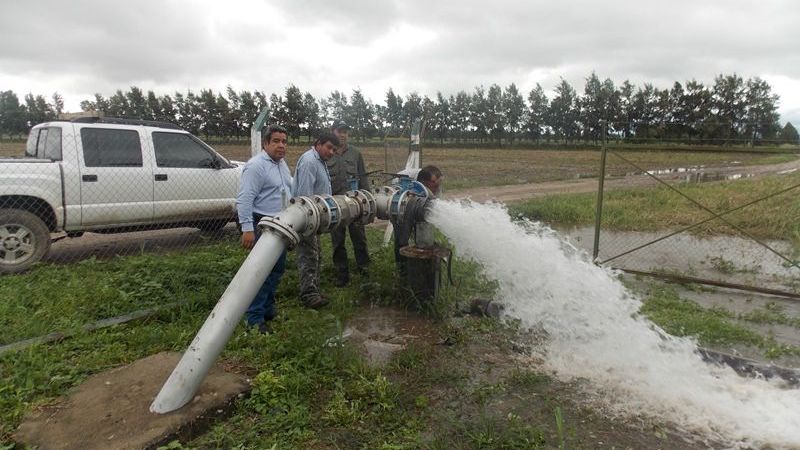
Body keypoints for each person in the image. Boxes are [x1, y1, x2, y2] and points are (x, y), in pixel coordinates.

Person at [236, 124, 293, 334]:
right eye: (276, 141)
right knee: (261, 273)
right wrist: (247, 229)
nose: (281, 146)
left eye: (284, 141)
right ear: (266, 143)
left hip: (280, 224)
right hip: (262, 225)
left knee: (276, 270)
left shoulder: (281, 164)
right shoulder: (256, 166)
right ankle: (254, 319)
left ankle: (268, 309)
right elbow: (244, 199)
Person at [292, 131, 339, 308]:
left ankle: (314, 290)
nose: (331, 152)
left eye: (334, 149)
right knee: (309, 256)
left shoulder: (319, 160)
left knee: (316, 254)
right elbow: (305, 196)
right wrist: (311, 218)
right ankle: (309, 295)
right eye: (329, 147)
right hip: (307, 217)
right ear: (318, 144)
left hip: (316, 217)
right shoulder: (310, 161)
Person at [326, 120, 370, 286]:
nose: (343, 134)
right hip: (336, 206)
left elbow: (363, 178)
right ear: (332, 132)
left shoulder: (356, 154)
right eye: (339, 131)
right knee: (338, 242)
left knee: (359, 239)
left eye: (345, 131)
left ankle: (364, 270)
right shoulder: (328, 152)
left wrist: (367, 202)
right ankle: (342, 274)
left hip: (355, 205)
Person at [393, 165, 443, 275]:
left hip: (418, 198)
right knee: (401, 234)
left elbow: (435, 205)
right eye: (433, 187)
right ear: (424, 183)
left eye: (437, 186)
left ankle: (420, 264)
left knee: (421, 226)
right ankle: (402, 269)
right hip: (401, 201)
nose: (435, 189)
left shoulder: (436, 184)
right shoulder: (402, 180)